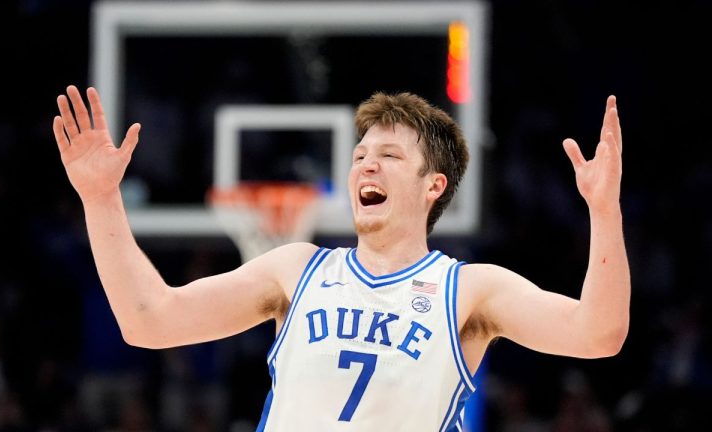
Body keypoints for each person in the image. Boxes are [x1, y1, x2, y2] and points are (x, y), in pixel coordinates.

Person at [52, 85, 630, 431]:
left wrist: (604, 211)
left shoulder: (470, 290)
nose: (365, 165)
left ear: (433, 185)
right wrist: (100, 200)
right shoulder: (296, 270)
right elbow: (148, 320)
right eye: (359, 154)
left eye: (388, 155)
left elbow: (599, 334)